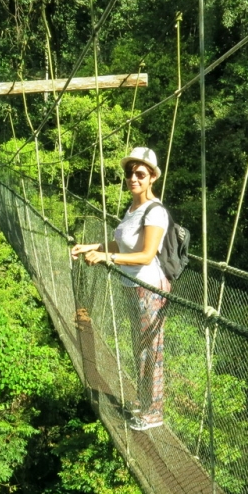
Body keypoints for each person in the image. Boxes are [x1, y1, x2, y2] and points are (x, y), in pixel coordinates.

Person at [71, 147, 170, 431]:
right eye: (129, 173)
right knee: (140, 348)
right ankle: (144, 401)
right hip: (132, 285)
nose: (133, 178)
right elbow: (125, 245)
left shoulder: (155, 211)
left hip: (150, 287)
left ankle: (154, 413)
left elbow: (147, 254)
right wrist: (96, 247)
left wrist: (107, 258)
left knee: (151, 350)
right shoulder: (132, 209)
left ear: (152, 177)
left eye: (140, 173)